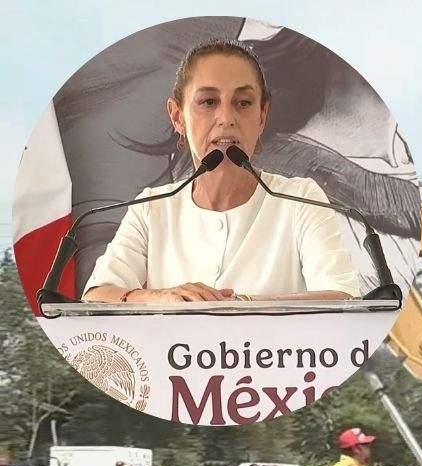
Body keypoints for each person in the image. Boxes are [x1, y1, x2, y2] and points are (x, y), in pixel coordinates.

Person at [81, 37, 360, 304]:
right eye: (208, 102)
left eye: (243, 103)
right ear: (178, 116)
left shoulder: (301, 199)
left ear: (262, 115)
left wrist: (239, 305)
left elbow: (342, 297)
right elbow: (96, 295)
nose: (226, 118)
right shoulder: (151, 208)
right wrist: (161, 297)